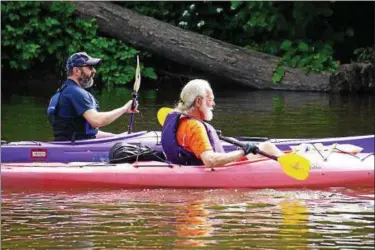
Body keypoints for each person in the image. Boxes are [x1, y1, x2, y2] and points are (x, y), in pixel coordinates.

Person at [161, 79, 284, 168]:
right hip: (216, 168)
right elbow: (210, 161)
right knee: (267, 147)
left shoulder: (174, 117)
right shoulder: (195, 126)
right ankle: (297, 166)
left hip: (184, 163)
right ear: (198, 101)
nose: (213, 104)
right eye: (210, 100)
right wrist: (243, 152)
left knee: (265, 148)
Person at [47, 52, 139, 141]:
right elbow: (97, 121)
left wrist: (117, 137)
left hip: (69, 145)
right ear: (76, 71)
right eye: (90, 67)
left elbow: (88, 133)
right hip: (76, 150)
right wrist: (124, 109)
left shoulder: (64, 91)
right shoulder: (76, 93)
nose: (94, 71)